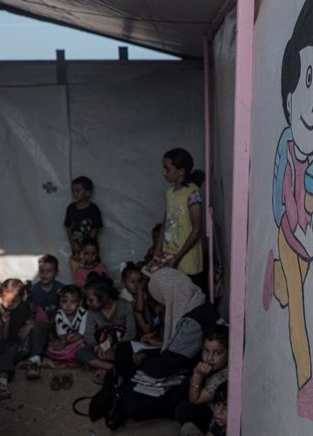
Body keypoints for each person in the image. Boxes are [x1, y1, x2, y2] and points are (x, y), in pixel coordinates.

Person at [262, 0, 313, 422]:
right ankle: (306, 382)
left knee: (292, 292)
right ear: (289, 96)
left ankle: (276, 278)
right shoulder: (291, 152)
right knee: (300, 311)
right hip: (289, 233)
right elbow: (289, 204)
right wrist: (299, 237)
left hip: (303, 233)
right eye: (307, 81)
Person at [110, 268, 219, 429]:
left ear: (169, 293)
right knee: (125, 350)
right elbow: (181, 347)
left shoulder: (192, 321)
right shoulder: (197, 302)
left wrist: (143, 360)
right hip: (184, 365)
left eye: (161, 299)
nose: (160, 306)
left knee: (130, 403)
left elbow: (163, 368)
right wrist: (160, 343)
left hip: (189, 380)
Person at [154, 148, 205, 290]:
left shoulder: (192, 192)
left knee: (187, 296)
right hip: (170, 253)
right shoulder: (170, 193)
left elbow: (197, 230)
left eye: (167, 169)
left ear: (181, 171)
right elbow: (166, 222)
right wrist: (158, 248)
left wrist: (178, 257)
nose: (164, 173)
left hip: (186, 257)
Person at [75, 274, 136, 371]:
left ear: (103, 297)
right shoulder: (92, 311)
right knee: (80, 353)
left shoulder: (125, 306)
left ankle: (105, 366)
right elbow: (88, 334)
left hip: (121, 345)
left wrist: (116, 348)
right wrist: (97, 348)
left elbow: (131, 332)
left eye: (90, 300)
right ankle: (111, 367)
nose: (87, 303)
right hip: (102, 345)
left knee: (132, 353)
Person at [175, 325, 229, 433]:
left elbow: (195, 400)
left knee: (184, 409)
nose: (209, 358)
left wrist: (198, 375)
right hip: (208, 408)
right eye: (206, 351)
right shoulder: (213, 367)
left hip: (215, 417)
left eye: (217, 353)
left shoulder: (224, 375)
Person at [0, 278, 37, 399]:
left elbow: (39, 322)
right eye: (6, 301)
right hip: (10, 346)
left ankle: (34, 361)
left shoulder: (26, 308)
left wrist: (29, 326)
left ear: (22, 298)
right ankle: (2, 383)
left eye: (14, 301)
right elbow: (3, 338)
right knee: (8, 352)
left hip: (26, 345)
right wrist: (6, 323)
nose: (10, 304)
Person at [27, 254, 64, 378]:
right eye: (42, 271)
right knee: (37, 330)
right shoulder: (34, 290)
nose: (45, 274)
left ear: (56, 272)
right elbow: (31, 312)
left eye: (49, 271)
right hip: (41, 325)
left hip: (58, 325)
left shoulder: (61, 289)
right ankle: (34, 360)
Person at [64, 176, 103, 276]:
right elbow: (68, 227)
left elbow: (96, 227)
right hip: (76, 250)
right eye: (73, 191)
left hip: (90, 250)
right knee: (78, 272)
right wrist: (73, 243)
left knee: (94, 271)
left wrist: (87, 246)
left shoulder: (93, 209)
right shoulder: (71, 208)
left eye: (78, 190)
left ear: (87, 193)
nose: (74, 193)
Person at [44, 285, 88, 369]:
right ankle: (63, 360)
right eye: (64, 302)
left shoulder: (83, 313)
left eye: (72, 302)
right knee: (52, 348)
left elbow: (81, 334)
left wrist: (66, 343)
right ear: (60, 302)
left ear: (80, 302)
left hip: (78, 339)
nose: (68, 305)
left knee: (82, 347)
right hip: (66, 339)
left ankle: (72, 360)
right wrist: (62, 342)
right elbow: (61, 335)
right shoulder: (59, 315)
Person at [119, 261, 157, 335]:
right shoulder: (125, 295)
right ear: (124, 283)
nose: (136, 285)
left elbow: (145, 307)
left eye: (139, 281)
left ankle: (149, 326)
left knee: (146, 304)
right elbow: (139, 309)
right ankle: (146, 329)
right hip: (127, 325)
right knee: (137, 310)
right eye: (132, 282)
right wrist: (140, 292)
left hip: (138, 322)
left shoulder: (141, 292)